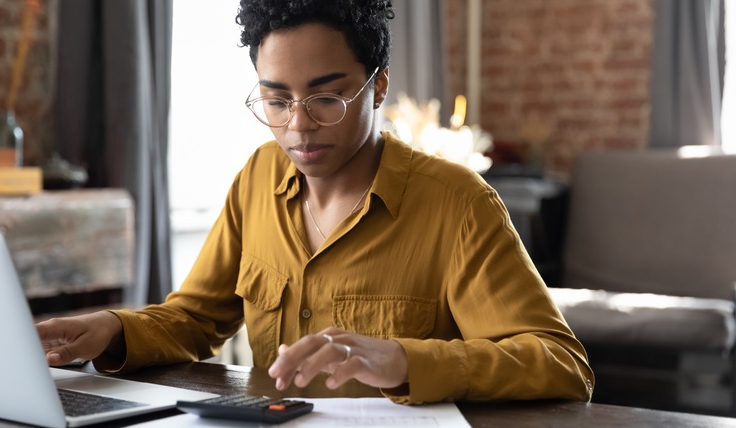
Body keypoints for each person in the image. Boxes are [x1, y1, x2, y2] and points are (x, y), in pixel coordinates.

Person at [37, 0, 594, 404]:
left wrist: (406, 361)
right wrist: (112, 327)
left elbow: (561, 363)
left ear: (377, 88)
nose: (298, 125)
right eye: (276, 100)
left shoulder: (458, 205)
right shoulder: (258, 176)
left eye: (327, 97)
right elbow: (196, 319)